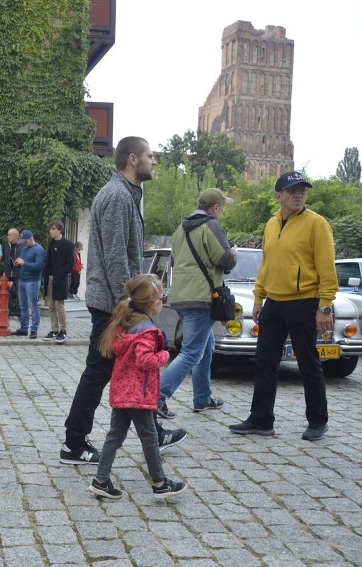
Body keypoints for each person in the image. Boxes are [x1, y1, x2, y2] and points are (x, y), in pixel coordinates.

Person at [60, 136, 186, 466]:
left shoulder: (126, 194)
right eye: (150, 155)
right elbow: (117, 257)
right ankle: (73, 443)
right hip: (114, 304)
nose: (154, 161)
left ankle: (152, 431)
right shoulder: (117, 196)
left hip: (117, 301)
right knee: (98, 371)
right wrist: (132, 305)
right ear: (133, 159)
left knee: (126, 369)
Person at [230, 171, 337, 441]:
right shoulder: (270, 224)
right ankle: (261, 419)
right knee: (264, 361)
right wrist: (258, 297)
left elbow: (327, 268)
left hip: (304, 301)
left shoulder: (317, 224)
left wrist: (324, 306)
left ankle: (317, 420)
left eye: (302, 190)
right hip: (274, 303)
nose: (299, 194)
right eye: (292, 191)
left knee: (308, 362)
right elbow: (267, 264)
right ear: (279, 196)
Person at [89, 274, 188, 500]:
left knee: (114, 436)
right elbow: (145, 361)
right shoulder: (147, 331)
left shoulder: (128, 325)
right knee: (150, 438)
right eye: (162, 297)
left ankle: (101, 480)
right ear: (154, 304)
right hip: (139, 395)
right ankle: (160, 483)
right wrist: (163, 354)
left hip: (123, 391)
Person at [157, 188, 237, 419]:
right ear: (215, 208)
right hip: (202, 298)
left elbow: (174, 262)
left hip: (181, 297)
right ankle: (157, 397)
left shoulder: (179, 230)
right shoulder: (211, 226)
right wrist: (234, 252)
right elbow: (225, 259)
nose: (222, 211)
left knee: (207, 346)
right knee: (191, 352)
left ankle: (202, 398)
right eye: (222, 207)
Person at [42, 221, 73, 344]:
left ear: (59, 230)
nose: (50, 231)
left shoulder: (67, 244)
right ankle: (54, 329)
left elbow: (70, 264)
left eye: (53, 229)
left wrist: (60, 273)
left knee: (59, 305)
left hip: (59, 279)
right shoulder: (51, 243)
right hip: (49, 278)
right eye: (50, 229)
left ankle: (63, 330)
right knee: (51, 305)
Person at [11, 230, 45, 339]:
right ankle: (24, 328)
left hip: (32, 281)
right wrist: (17, 264)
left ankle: (34, 330)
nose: (23, 244)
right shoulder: (24, 249)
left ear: (31, 238)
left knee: (33, 306)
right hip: (22, 280)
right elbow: (24, 264)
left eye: (25, 241)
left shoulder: (39, 250)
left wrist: (24, 263)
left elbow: (39, 266)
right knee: (23, 306)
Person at [3, 228, 21, 317]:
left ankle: (19, 314)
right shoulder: (7, 245)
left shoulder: (22, 246)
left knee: (19, 294)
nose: (7, 237)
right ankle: (7, 313)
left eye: (9, 235)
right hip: (8, 274)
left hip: (18, 274)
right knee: (7, 294)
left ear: (15, 236)